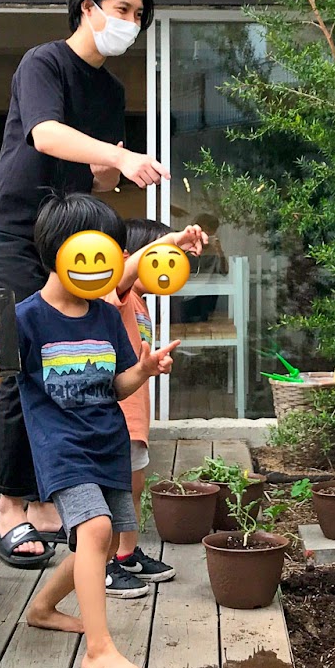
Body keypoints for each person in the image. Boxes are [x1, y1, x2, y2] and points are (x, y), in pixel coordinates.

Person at [0, 0, 168, 568]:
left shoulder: (109, 90)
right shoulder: (44, 63)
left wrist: (116, 170)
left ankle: (52, 499)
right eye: (122, 11)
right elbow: (46, 135)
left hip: (70, 241)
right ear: (88, 7)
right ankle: (11, 507)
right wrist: (121, 153)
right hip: (13, 232)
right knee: (18, 367)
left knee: (72, 365)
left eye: (139, 17)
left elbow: (94, 181)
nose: (131, 24)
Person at [18, 194, 179, 668]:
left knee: (105, 542)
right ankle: (99, 649)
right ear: (59, 251)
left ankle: (43, 608)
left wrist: (144, 371)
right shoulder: (27, 319)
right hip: (60, 445)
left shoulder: (106, 315)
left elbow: (115, 385)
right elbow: (5, 384)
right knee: (93, 530)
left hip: (106, 440)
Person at [105, 217, 210, 590]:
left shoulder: (141, 303)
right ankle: (104, 562)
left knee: (133, 487)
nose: (170, 266)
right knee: (115, 491)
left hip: (136, 414)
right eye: (162, 258)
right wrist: (172, 240)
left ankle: (126, 554)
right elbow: (125, 273)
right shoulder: (118, 293)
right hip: (117, 414)